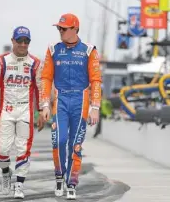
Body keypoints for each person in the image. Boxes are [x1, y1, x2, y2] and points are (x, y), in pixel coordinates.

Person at [41, 13, 102, 200]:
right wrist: (44, 103)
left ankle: (72, 182)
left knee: (75, 145)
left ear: (75, 29)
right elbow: (46, 77)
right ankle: (59, 175)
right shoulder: (53, 49)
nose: (60, 32)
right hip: (60, 99)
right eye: (59, 28)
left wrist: (95, 106)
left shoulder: (89, 50)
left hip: (81, 100)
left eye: (64, 28)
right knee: (59, 141)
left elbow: (96, 79)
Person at [0, 26, 44, 199]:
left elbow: (40, 89)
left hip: (25, 110)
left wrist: (41, 110)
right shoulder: (1, 61)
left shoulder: (35, 63)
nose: (22, 44)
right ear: (13, 40)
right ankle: (6, 172)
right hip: (6, 109)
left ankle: (19, 186)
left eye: (26, 41)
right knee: (2, 150)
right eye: (19, 40)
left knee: (23, 148)